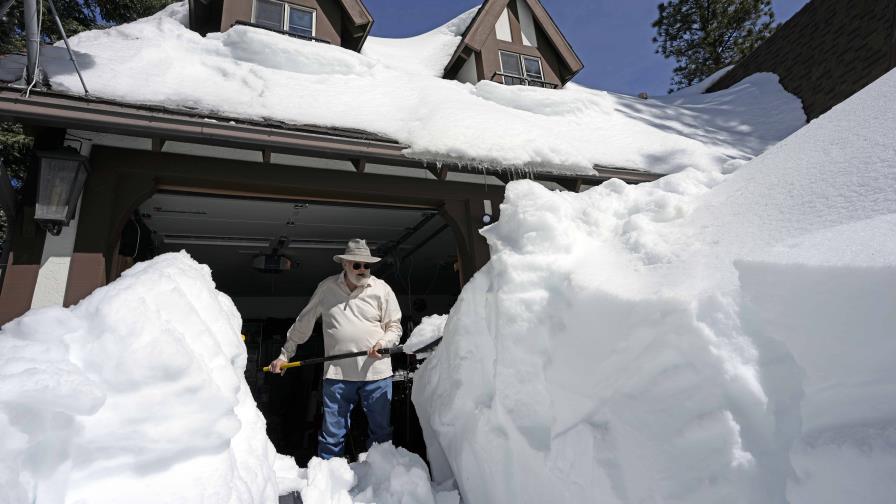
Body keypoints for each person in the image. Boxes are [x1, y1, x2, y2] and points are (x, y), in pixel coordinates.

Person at [269, 239, 402, 459]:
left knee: (381, 433)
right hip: (338, 374)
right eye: (357, 265)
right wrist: (285, 355)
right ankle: (329, 476)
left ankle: (382, 476)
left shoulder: (382, 289)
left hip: (376, 374)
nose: (362, 269)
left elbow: (394, 327)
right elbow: (303, 323)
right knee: (332, 435)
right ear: (345, 264)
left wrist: (383, 344)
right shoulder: (327, 288)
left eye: (366, 265)